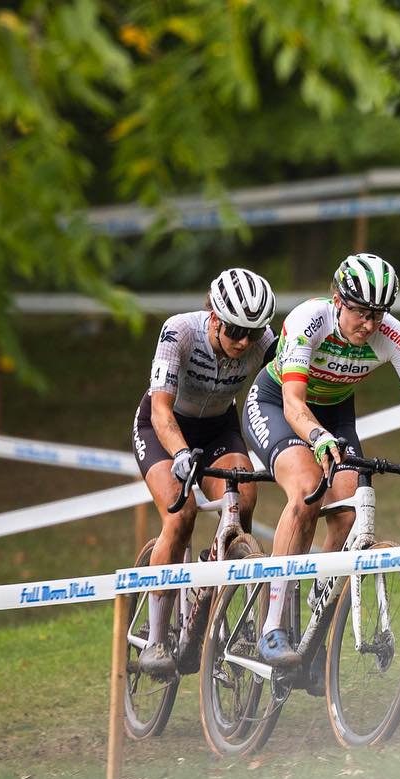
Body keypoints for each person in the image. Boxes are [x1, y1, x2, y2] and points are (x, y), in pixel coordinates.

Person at [243, 252, 400, 670]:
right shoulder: (310, 320)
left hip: (335, 413)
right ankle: (272, 624)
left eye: (378, 314)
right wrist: (316, 438)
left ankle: (314, 616)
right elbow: (294, 403)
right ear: (337, 300)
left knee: (347, 511)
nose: (369, 323)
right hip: (278, 404)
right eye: (360, 312)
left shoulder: (392, 336)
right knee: (308, 488)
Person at [133, 267, 279, 675]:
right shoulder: (178, 331)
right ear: (214, 316)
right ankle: (157, 639)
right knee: (180, 516)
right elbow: (161, 409)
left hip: (219, 426)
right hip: (163, 428)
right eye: (235, 330)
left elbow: (292, 386)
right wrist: (180, 452)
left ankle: (222, 567)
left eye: (253, 332)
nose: (245, 342)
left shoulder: (261, 341)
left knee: (244, 499)